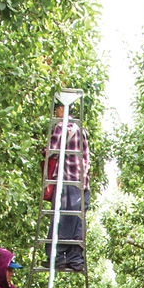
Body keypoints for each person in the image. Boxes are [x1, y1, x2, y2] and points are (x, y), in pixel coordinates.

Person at [43, 100, 90, 272]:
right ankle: (75, 258)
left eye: (56, 110)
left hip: (67, 179)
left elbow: (51, 150)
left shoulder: (62, 127)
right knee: (77, 220)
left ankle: (56, 256)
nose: (56, 114)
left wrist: (42, 150)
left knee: (61, 218)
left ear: (62, 108)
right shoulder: (80, 128)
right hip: (82, 182)